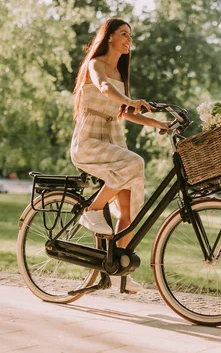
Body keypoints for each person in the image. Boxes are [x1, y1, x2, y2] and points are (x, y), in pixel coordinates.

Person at [69, 18, 169, 293]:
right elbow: (103, 88)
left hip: (113, 139)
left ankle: (115, 271)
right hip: (90, 140)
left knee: (130, 214)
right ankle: (92, 210)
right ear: (109, 37)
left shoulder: (121, 74)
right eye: (124, 34)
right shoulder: (96, 64)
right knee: (135, 163)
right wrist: (128, 99)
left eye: (131, 36)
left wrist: (158, 123)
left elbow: (125, 113)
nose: (128, 39)